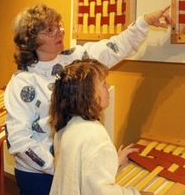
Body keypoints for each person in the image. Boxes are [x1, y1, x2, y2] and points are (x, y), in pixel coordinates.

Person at [4, 4, 170, 195]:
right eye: (50, 30)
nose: (59, 32)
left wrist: (145, 21)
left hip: (71, 169)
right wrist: (61, 167)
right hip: (40, 177)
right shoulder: (21, 83)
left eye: (58, 25)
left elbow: (114, 48)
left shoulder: (74, 60)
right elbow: (19, 142)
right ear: (31, 39)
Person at [49, 59, 152, 195]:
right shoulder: (95, 136)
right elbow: (100, 192)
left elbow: (82, 170)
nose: (108, 86)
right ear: (88, 95)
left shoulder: (66, 126)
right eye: (103, 84)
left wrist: (114, 161)